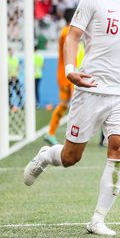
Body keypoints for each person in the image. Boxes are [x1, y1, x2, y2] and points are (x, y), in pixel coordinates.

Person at [24, 0, 120, 236]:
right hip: (91, 87)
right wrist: (70, 71)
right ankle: (45, 156)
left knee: (119, 146)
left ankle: (98, 219)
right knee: (71, 158)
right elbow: (73, 36)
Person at [44, 8, 80, 146]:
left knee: (64, 105)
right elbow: (68, 52)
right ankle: (74, 136)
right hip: (68, 75)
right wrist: (72, 69)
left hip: (64, 74)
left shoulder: (67, 31)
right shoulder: (68, 32)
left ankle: (51, 132)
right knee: (78, 104)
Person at [7, 47, 24, 111]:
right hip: (8, 78)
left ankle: (21, 104)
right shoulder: (6, 59)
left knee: (18, 91)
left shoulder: (16, 59)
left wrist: (15, 73)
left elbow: (18, 67)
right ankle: (10, 105)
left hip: (15, 77)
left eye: (11, 51)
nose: (10, 52)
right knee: (9, 93)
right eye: (9, 51)